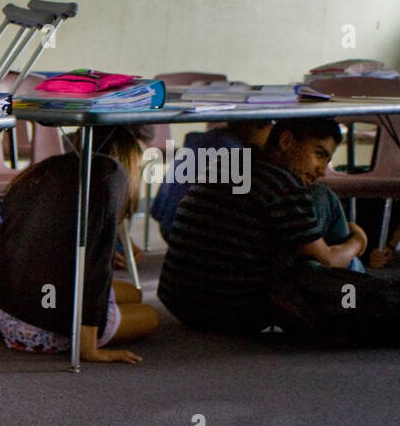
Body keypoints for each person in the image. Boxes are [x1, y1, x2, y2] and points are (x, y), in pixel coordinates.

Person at [159, 118, 400, 343]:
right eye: (319, 154)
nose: (322, 170)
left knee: (314, 210)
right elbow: (328, 259)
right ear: (285, 141)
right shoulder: (283, 184)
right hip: (234, 314)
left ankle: (354, 286)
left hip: (180, 303)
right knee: (321, 199)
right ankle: (355, 286)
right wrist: (358, 239)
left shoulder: (228, 162)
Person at [0, 125, 160, 363]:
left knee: (134, 294)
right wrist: (89, 348)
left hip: (8, 311)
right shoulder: (110, 176)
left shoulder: (47, 169)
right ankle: (81, 337)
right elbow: (95, 268)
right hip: (40, 327)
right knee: (149, 316)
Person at [151, 120, 273, 240]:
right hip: (195, 234)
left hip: (168, 223)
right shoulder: (232, 152)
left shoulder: (202, 140)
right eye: (271, 124)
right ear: (257, 127)